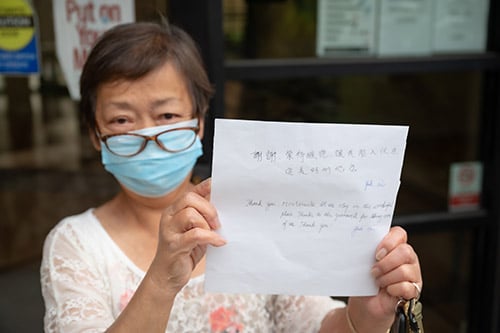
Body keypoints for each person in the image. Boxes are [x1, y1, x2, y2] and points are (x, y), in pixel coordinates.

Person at [40, 20, 423, 333]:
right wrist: (159, 282)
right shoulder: (74, 246)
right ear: (95, 133)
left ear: (200, 121)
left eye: (168, 116)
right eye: (122, 120)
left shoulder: (254, 216)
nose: (148, 135)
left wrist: (366, 317)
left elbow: (314, 324)